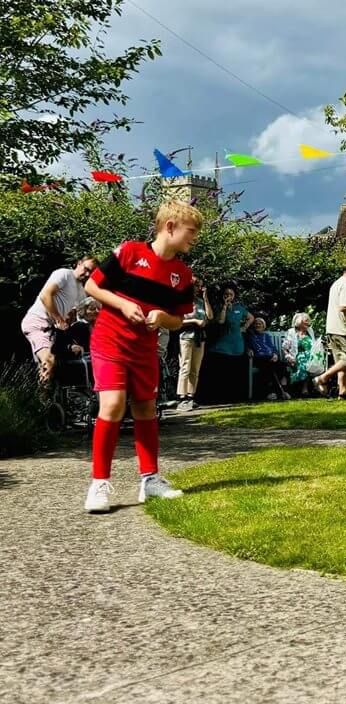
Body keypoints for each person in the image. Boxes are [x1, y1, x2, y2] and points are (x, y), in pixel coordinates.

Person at [81, 200, 200, 513]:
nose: (194, 238)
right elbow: (93, 287)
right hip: (110, 341)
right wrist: (122, 305)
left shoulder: (183, 274)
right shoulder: (131, 252)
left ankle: (150, 480)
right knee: (114, 404)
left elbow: (177, 319)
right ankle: (99, 484)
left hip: (144, 348)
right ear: (169, 226)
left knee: (146, 408)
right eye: (191, 231)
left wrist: (162, 317)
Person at [21, 256, 96, 383]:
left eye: (91, 272)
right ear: (78, 263)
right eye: (86, 269)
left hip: (54, 331)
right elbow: (45, 295)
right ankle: (42, 401)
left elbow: (84, 316)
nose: (87, 274)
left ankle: (60, 397)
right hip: (38, 322)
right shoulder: (64, 274)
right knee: (48, 360)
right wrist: (59, 319)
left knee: (77, 351)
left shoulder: (81, 291)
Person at [314, 260, 346, 399]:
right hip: (342, 329)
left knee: (341, 362)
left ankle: (343, 392)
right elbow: (343, 308)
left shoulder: (336, 283)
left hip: (333, 328)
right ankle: (322, 378)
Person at [204, 285, 254, 403]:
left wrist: (244, 327)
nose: (228, 296)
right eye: (226, 294)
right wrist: (225, 307)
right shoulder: (218, 306)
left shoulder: (240, 308)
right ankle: (220, 397)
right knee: (222, 371)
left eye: (231, 294)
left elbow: (251, 317)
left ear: (234, 295)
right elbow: (220, 321)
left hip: (237, 342)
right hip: (222, 343)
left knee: (235, 371)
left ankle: (235, 397)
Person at [176, 277, 213, 412]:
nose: (198, 288)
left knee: (195, 368)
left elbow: (210, 317)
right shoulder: (183, 301)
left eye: (200, 286)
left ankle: (191, 397)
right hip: (186, 336)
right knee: (185, 366)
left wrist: (205, 298)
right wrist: (195, 321)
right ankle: (182, 397)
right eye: (196, 285)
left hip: (200, 337)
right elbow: (176, 321)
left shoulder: (200, 301)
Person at [282, 313, 325, 396]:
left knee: (311, 361)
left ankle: (308, 387)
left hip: (312, 356)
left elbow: (315, 345)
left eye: (308, 321)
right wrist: (288, 357)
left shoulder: (310, 331)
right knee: (306, 363)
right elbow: (284, 347)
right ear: (299, 322)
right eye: (306, 321)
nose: (308, 323)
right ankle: (305, 388)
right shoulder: (292, 332)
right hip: (296, 356)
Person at [249, 318, 289, 400]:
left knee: (282, 366)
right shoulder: (251, 336)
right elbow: (248, 346)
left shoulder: (266, 336)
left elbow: (272, 347)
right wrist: (248, 349)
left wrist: (275, 355)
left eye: (260, 323)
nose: (257, 325)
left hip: (271, 358)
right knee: (269, 367)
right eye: (256, 323)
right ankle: (271, 392)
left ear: (263, 326)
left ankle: (281, 391)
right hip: (259, 358)